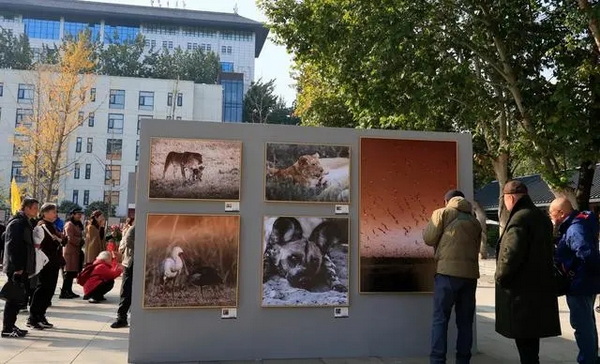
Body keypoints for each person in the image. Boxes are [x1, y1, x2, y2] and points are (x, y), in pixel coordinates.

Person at [495, 180, 560, 363]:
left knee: (525, 345)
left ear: (511, 198)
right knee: (531, 344)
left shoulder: (519, 219)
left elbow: (510, 255)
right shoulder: (541, 218)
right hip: (539, 288)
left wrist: (500, 277)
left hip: (521, 293)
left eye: (505, 200)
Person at [423, 189, 482, 364]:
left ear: (446, 200)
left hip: (447, 275)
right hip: (470, 277)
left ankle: (437, 360)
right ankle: (463, 360)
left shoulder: (441, 213)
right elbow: (476, 247)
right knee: (465, 323)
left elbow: (429, 238)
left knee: (440, 320)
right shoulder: (474, 221)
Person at [550, 197, 600, 364]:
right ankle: (592, 357)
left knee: (582, 326)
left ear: (561, 213)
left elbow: (586, 254)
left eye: (552, 214)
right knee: (588, 324)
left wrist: (573, 271)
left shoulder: (575, 229)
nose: (551, 217)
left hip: (579, 285)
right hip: (586, 283)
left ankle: (588, 360)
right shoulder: (580, 224)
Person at [2, 198, 39, 338]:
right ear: (27, 208)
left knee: (18, 298)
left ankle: (11, 325)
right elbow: (13, 246)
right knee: (13, 298)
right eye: (35, 208)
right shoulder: (17, 223)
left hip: (23, 266)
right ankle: (7, 328)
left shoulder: (25, 222)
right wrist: (17, 267)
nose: (37, 211)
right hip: (16, 267)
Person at [28, 203, 63, 330]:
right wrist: (56, 240)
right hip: (45, 262)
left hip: (53, 262)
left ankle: (41, 315)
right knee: (42, 288)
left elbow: (60, 241)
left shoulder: (51, 226)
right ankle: (33, 317)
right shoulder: (41, 226)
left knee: (49, 290)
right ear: (45, 213)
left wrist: (59, 239)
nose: (55, 214)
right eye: (53, 212)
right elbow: (40, 244)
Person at [112, 224, 135, 328]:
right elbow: (128, 240)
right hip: (131, 263)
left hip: (136, 263)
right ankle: (121, 317)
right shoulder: (135, 228)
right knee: (126, 291)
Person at [61, 208, 84, 299]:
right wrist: (80, 241)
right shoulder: (69, 225)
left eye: (80, 214)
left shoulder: (77, 224)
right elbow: (70, 238)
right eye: (77, 214)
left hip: (75, 251)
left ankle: (69, 290)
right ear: (73, 215)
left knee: (72, 273)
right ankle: (64, 291)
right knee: (68, 273)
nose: (79, 216)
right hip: (69, 252)